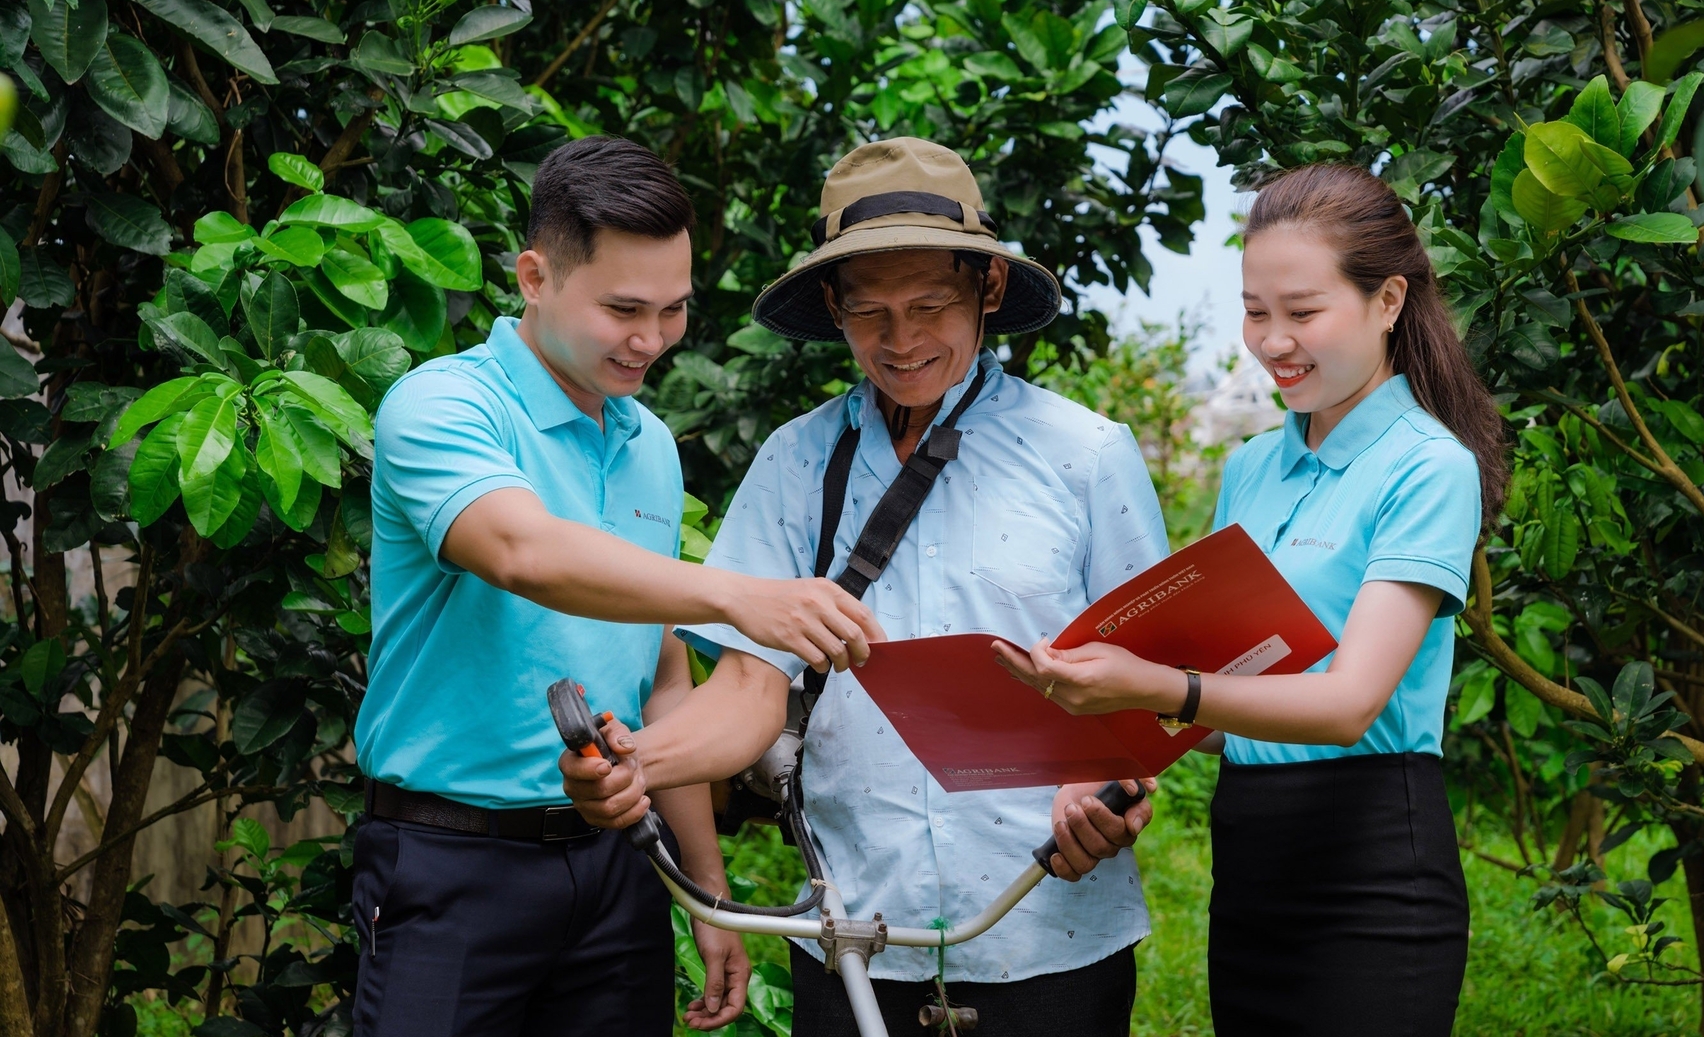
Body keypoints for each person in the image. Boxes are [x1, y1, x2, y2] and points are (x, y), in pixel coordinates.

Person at [561, 137, 1168, 1037]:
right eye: (869, 313)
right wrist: (634, 765)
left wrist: (1107, 784)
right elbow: (748, 689)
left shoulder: (1085, 455)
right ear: (833, 308)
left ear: (988, 291)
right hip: (850, 937)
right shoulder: (795, 462)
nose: (902, 340)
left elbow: (1151, 680)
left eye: (930, 304)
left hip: (1046, 926)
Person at [353, 135, 883, 1037]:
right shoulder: (443, 405)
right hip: (450, 861)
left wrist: (705, 890)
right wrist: (735, 594)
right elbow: (521, 549)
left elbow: (662, 676)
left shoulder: (649, 446)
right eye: (623, 309)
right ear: (533, 276)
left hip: (618, 862)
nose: (652, 341)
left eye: (674, 310)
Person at [996, 162, 1510, 1037]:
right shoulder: (1250, 469)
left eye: (1303, 312)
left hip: (1373, 860)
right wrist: (1102, 742)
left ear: (1388, 301)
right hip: (1251, 855)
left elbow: (1348, 702)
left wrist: (1156, 687)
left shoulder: (1429, 468)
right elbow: (1233, 693)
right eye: (1254, 311)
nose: (1273, 341)